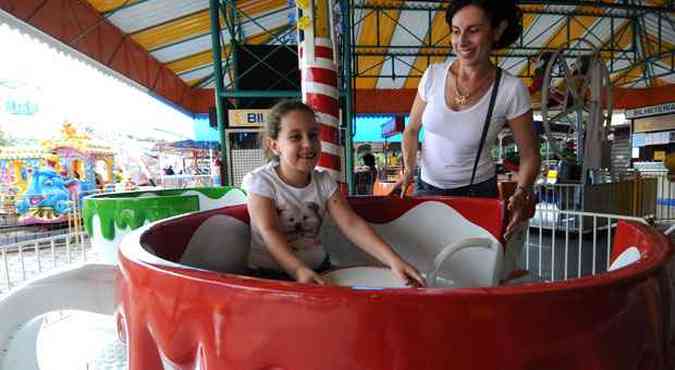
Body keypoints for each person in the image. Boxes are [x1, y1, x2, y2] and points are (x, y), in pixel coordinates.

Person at [397, 0, 540, 239]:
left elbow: (530, 155)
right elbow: (411, 130)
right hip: (425, 189)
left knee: (471, 268)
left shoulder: (510, 89)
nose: (461, 41)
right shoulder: (433, 75)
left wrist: (521, 192)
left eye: (473, 30)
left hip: (476, 193)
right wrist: (409, 168)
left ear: (497, 31)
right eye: (456, 31)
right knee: (424, 263)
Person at [242, 100, 425, 286]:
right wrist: (297, 270)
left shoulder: (323, 181)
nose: (308, 144)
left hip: (318, 270)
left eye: (313, 135)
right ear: (274, 145)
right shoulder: (261, 182)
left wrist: (393, 260)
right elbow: (269, 230)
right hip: (271, 276)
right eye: (295, 137)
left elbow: (351, 224)